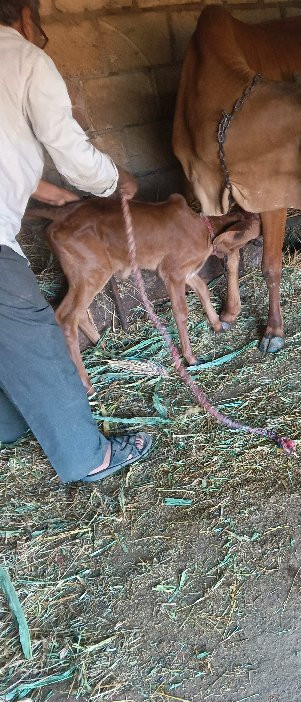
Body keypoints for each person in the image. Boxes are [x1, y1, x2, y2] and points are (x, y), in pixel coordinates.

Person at [0, 0, 152, 482]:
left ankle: (8, 424)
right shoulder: (23, 58)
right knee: (33, 337)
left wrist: (45, 192)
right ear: (25, 15)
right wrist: (113, 181)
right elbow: (68, 148)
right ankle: (89, 457)